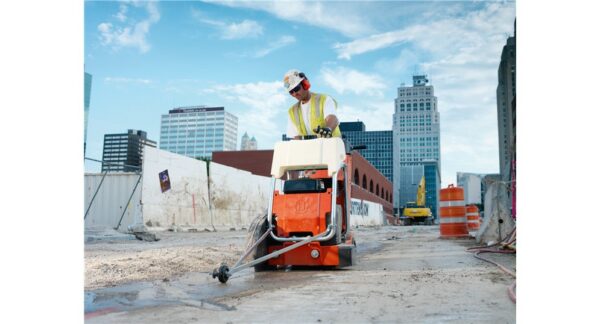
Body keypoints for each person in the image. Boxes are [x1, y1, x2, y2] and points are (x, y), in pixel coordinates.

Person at [283, 69, 341, 139]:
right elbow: (295, 137)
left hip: (331, 146)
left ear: (305, 84)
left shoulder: (324, 99)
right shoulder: (292, 111)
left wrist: (328, 129)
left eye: (296, 89)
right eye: (291, 92)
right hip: (310, 148)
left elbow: (332, 118)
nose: (295, 94)